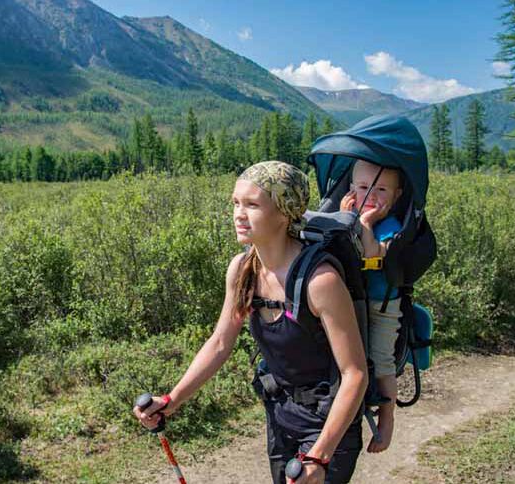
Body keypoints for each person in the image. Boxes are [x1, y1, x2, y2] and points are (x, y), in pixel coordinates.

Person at [134, 161, 368, 484]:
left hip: (328, 424)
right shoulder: (243, 270)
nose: (238, 214)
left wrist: (319, 455)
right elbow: (219, 343)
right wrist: (171, 400)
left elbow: (355, 374)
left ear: (285, 212)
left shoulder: (320, 282)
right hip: (280, 416)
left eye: (252, 204)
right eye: (235, 203)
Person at [339, 159, 404, 453]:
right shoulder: (347, 217)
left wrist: (364, 223)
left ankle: (388, 419)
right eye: (364, 188)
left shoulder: (391, 226)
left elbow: (371, 253)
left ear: (397, 195)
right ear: (352, 190)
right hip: (350, 304)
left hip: (382, 305)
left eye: (381, 189)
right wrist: (343, 217)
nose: (370, 196)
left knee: (381, 362)